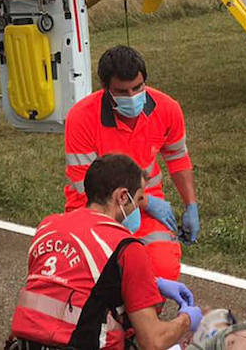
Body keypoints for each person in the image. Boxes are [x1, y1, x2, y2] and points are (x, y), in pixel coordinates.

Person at [9, 154, 202, 350]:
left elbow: (77, 281)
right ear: (123, 197)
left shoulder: (49, 226)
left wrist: (153, 283)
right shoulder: (126, 247)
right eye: (139, 199)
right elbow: (153, 341)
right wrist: (187, 320)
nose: (139, 208)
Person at [64, 45, 198, 280]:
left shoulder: (167, 109)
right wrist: (145, 202)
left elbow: (177, 158)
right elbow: (84, 187)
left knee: (162, 271)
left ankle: (146, 313)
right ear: (105, 88)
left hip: (145, 207)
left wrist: (191, 206)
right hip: (96, 208)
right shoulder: (81, 118)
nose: (132, 97)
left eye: (138, 88)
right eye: (123, 91)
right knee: (104, 278)